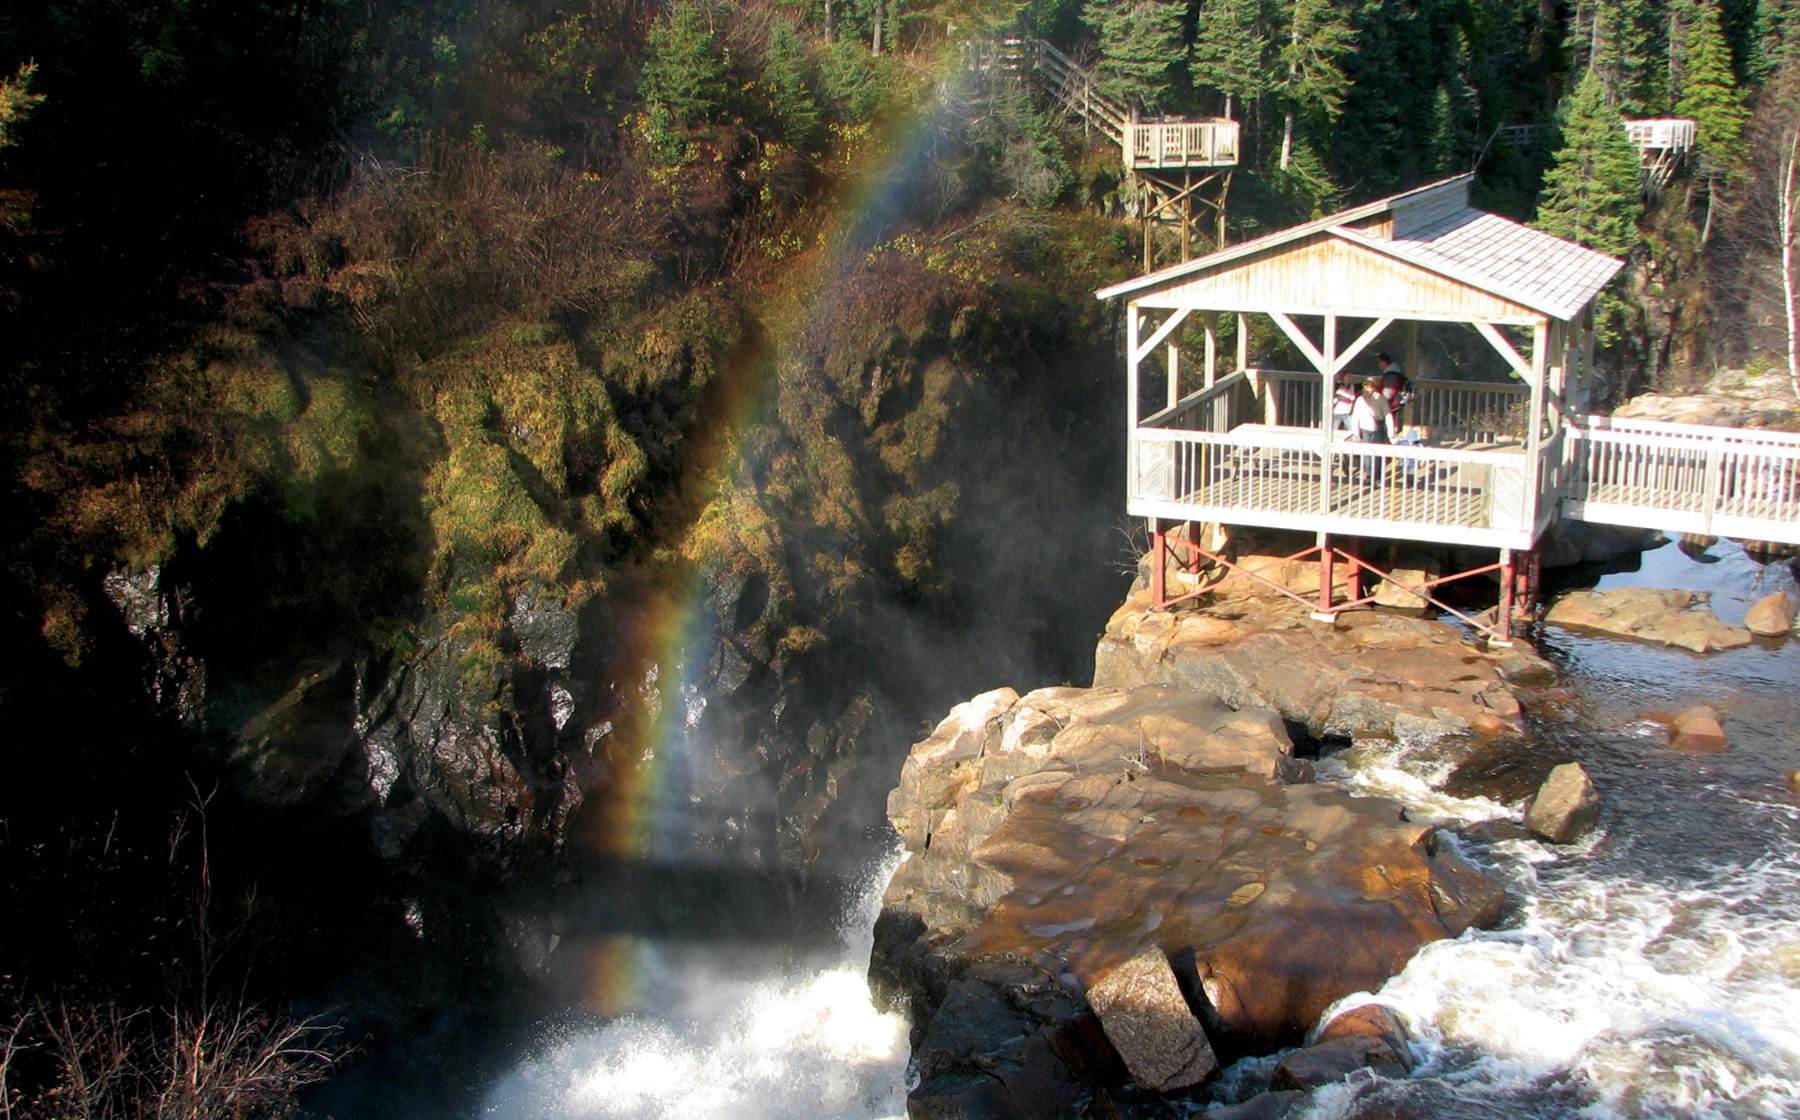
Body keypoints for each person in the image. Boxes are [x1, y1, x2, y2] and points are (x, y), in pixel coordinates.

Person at [1350, 375, 1396, 482]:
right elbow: (1355, 416)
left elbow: (1387, 415)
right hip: (1365, 429)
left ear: (1375, 386)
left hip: (1378, 429)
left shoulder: (1380, 398)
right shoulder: (1360, 400)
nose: (1368, 387)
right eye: (1366, 385)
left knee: (1378, 454)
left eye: (1370, 385)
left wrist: (1391, 431)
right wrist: (1355, 432)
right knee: (1367, 454)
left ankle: (1378, 477)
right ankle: (1369, 476)